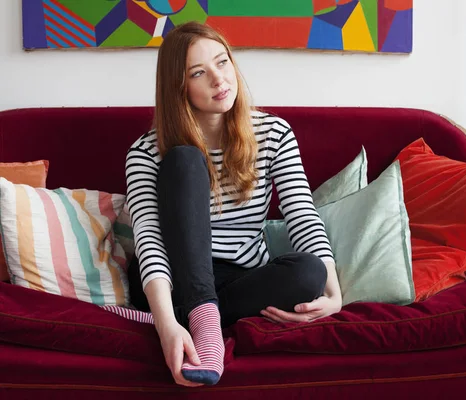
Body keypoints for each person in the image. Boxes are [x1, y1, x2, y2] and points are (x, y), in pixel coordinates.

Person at [101, 22, 342, 388]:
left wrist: (334, 294)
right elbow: (149, 239)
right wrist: (168, 326)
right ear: (178, 87)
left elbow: (302, 215)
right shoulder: (147, 152)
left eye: (222, 62)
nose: (219, 79)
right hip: (175, 279)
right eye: (199, 72)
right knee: (183, 160)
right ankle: (195, 319)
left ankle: (197, 317)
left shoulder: (275, 133)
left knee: (309, 273)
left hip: (244, 277)